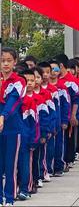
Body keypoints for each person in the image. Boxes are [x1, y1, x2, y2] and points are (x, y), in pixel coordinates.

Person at [0, 47, 26, 206]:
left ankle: (9, 198)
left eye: (9, 61)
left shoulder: (19, 81)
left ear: (15, 62)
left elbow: (13, 102)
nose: (5, 64)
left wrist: (3, 116)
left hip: (12, 128)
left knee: (10, 165)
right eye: (2, 61)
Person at [17, 68, 38, 200]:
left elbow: (34, 123)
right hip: (12, 137)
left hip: (25, 138)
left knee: (24, 164)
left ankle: (25, 188)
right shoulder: (11, 100)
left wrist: (33, 140)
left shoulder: (30, 102)